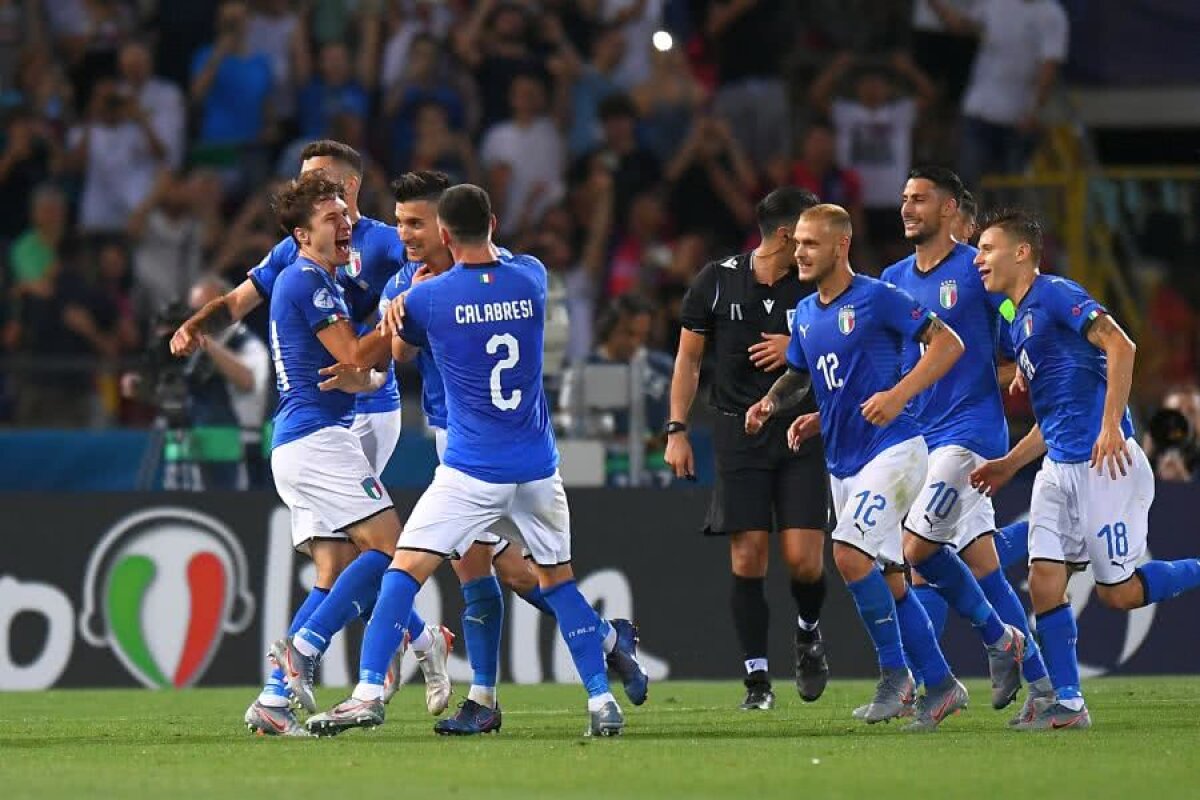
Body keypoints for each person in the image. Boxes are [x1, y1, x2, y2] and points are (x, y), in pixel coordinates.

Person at [306, 184, 645, 738]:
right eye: (400, 225)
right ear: (491, 219)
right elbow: (504, 278)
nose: (406, 235)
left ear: (442, 230)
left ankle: (373, 691)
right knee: (535, 577)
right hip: (536, 462)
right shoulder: (531, 275)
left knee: (414, 572)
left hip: (469, 460)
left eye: (415, 224)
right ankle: (599, 682)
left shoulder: (421, 297)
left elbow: (396, 351)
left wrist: (384, 333)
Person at [171, 142, 450, 732]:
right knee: (364, 557)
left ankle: (292, 685)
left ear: (347, 189)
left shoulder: (377, 239)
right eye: (304, 187)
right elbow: (243, 303)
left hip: (365, 410)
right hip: (324, 427)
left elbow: (414, 294)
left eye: (319, 184)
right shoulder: (303, 260)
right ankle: (379, 645)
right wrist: (199, 324)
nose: (317, 197)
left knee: (353, 558)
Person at [969, 209, 1200, 730]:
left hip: (1106, 464)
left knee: (1117, 594)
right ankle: (1068, 703)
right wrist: (1009, 464)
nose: (979, 259)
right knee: (1044, 578)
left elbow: (1122, 344)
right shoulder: (1018, 318)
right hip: (1059, 466)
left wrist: (1112, 425)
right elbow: (1053, 420)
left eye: (987, 248)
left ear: (1022, 252)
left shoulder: (1054, 293)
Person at [746, 203, 969, 731]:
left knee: (847, 553)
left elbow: (948, 343)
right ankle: (940, 685)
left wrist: (899, 395)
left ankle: (896, 678)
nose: (798, 251)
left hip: (894, 449)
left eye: (810, 243)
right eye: (796, 242)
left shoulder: (879, 297)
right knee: (891, 579)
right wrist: (777, 406)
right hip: (843, 462)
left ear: (841, 246)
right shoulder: (805, 313)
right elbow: (802, 375)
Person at [879, 167, 1043, 719]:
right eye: (904, 198)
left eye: (919, 199)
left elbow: (1011, 314)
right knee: (979, 561)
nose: (907, 208)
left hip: (969, 435)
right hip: (917, 439)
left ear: (950, 210)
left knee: (915, 552)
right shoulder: (893, 277)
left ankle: (985, 651)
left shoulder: (975, 273)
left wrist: (1026, 358)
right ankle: (1044, 684)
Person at [666, 187, 831, 711]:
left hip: (800, 429)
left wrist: (798, 345)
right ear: (786, 234)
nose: (812, 244)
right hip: (739, 433)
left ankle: (808, 632)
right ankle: (757, 681)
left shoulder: (818, 286)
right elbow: (689, 361)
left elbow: (848, 342)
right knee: (748, 555)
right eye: (805, 234)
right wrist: (676, 429)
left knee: (805, 561)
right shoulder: (716, 281)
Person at [253, 173, 406, 736]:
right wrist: (400, 315)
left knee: (338, 566)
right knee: (392, 550)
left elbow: (353, 375)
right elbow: (351, 355)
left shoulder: (320, 282)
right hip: (317, 441)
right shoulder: (308, 281)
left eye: (346, 214)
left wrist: (365, 368)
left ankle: (273, 698)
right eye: (330, 218)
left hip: (304, 439)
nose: (346, 224)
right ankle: (303, 649)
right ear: (301, 234)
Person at [927, 0, 1069, 189]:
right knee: (968, 184)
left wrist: (1034, 111)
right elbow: (960, 25)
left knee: (1008, 191)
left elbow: (1049, 66)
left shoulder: (1051, 15)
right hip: (979, 110)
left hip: (1017, 118)